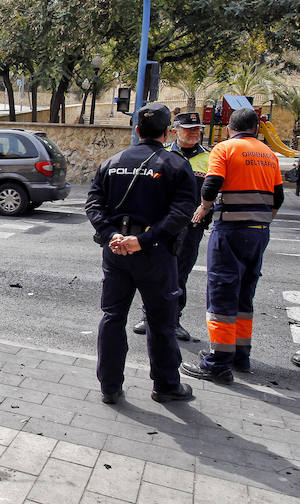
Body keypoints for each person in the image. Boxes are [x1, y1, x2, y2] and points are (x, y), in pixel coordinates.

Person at [85, 103, 196, 404]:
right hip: (155, 255)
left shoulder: (113, 161)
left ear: (136, 130)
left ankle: (109, 387)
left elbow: (93, 204)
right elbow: (182, 211)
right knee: (161, 322)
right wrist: (144, 240)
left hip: (117, 251)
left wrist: (113, 235)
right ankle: (166, 385)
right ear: (167, 132)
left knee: (112, 317)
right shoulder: (175, 165)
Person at [180, 108, 284, 383]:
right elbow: (279, 197)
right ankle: (240, 355)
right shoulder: (269, 154)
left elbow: (211, 185)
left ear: (228, 128)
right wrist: (260, 220)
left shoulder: (225, 149)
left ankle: (217, 362)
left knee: (222, 291)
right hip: (259, 232)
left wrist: (204, 208)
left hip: (230, 231)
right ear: (256, 129)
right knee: (244, 294)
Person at [134, 112, 210, 341]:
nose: (194, 133)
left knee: (180, 275)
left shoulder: (209, 158)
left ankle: (174, 319)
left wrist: (206, 213)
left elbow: (215, 194)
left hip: (191, 229)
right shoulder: (161, 155)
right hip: (163, 227)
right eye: (189, 129)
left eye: (197, 129)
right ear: (175, 131)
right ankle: (149, 317)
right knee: (154, 272)